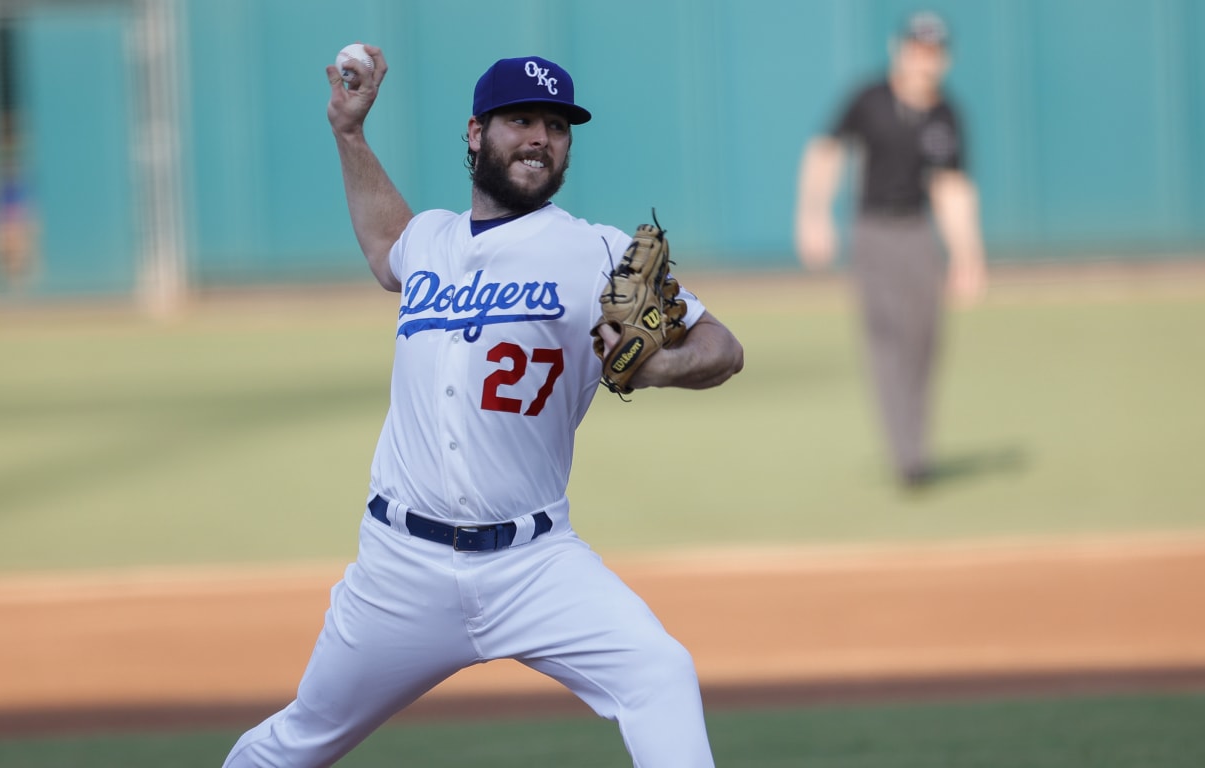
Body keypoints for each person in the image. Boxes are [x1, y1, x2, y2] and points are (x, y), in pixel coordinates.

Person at [221, 47, 744, 768]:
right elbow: (384, 246)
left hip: (534, 564)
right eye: (520, 120)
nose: (540, 136)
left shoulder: (598, 252)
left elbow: (724, 345)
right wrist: (349, 134)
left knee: (660, 674)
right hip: (400, 567)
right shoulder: (429, 239)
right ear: (476, 134)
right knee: (297, 739)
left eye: (557, 125)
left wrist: (663, 365)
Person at [793, 10, 986, 488]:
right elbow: (826, 151)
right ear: (901, 51)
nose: (925, 62)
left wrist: (967, 257)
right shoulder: (870, 98)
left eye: (934, 53)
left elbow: (952, 189)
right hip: (873, 230)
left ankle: (916, 442)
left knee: (922, 340)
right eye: (918, 51)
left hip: (917, 233)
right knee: (886, 339)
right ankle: (908, 458)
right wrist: (814, 216)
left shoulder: (945, 114)